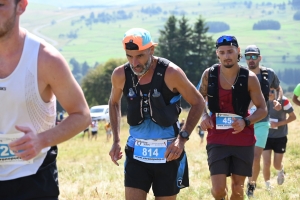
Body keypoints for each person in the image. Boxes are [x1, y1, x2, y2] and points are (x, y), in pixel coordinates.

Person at [0, 1, 91, 199]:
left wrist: (42, 140)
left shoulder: (46, 59)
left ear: (21, 6)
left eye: (1, 4)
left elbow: (82, 115)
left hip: (33, 180)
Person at [108, 28, 205, 200]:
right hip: (136, 152)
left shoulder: (171, 73)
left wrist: (181, 139)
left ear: (151, 50)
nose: (134, 62)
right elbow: (114, 102)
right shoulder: (120, 74)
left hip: (168, 153)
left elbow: (198, 102)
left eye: (140, 56)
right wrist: (115, 140)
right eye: (129, 56)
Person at [199, 35, 267, 200]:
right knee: (218, 190)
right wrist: (204, 115)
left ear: (238, 52)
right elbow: (198, 100)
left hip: (242, 138)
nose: (227, 56)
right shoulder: (209, 74)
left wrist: (246, 121)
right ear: (217, 54)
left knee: (237, 190)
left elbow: (262, 109)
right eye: (222, 52)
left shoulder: (249, 78)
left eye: (230, 51)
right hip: (217, 137)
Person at [244, 45, 283, 197]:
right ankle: (246, 181)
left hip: (261, 120)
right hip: (244, 121)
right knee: (245, 155)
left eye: (254, 56)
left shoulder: (268, 74)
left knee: (255, 156)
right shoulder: (241, 74)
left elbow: (278, 88)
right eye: (248, 56)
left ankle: (251, 186)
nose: (251, 59)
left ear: (260, 58)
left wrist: (278, 101)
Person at [262, 88, 296, 190]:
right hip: (266, 136)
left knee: (276, 164)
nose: (270, 93)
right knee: (266, 163)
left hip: (280, 137)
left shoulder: (284, 101)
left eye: (272, 91)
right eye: (268, 90)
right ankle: (268, 185)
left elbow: (293, 117)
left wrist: (278, 124)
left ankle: (280, 170)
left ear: (277, 91)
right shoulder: (262, 100)